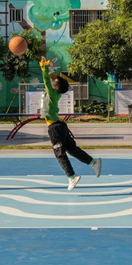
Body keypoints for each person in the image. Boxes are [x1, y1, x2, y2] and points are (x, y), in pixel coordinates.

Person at [40, 56, 101, 190]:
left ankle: (72, 176)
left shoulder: (51, 93)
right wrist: (50, 67)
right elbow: (52, 78)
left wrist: (43, 66)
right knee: (71, 149)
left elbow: (46, 79)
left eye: (54, 81)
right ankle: (93, 162)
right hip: (60, 125)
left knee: (60, 154)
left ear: (55, 86)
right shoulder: (55, 92)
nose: (53, 80)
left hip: (55, 128)